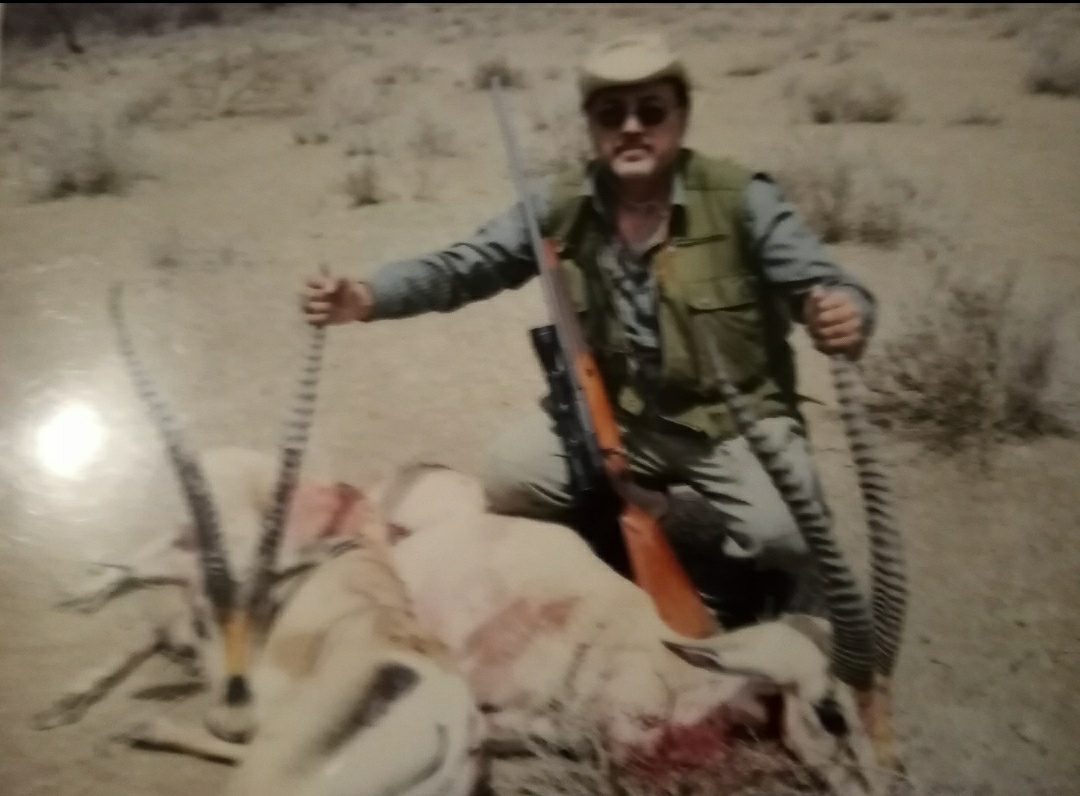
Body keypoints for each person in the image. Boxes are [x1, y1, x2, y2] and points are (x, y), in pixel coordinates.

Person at [301, 34, 876, 626]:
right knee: (511, 478)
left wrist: (843, 314)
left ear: (682, 117)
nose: (631, 128)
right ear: (591, 127)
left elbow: (829, 287)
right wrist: (367, 297)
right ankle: (609, 526)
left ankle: (757, 589)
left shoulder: (742, 199)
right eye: (610, 115)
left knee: (786, 534)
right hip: (618, 420)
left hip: (731, 424)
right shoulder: (560, 202)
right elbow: (465, 266)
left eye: (650, 111)